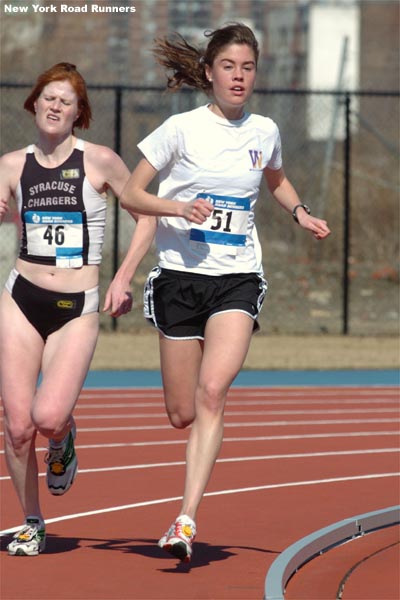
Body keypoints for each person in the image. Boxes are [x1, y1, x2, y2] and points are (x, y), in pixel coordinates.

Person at [119, 23, 331, 563]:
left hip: (237, 276)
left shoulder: (265, 130)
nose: (239, 76)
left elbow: (276, 180)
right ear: (210, 72)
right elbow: (131, 193)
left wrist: (301, 212)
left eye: (248, 67)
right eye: (230, 67)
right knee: (181, 412)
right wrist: (178, 208)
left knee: (214, 392)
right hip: (178, 279)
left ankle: (186, 518)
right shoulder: (179, 129)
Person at [0, 62, 155, 556]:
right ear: (34, 103)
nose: (55, 106)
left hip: (77, 306)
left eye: (66, 101)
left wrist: (124, 276)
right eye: (48, 97)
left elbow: (146, 217)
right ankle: (31, 520)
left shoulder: (101, 161)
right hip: (21, 297)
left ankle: (63, 437)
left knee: (47, 417)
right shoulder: (9, 165)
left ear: (78, 113)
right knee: (18, 426)